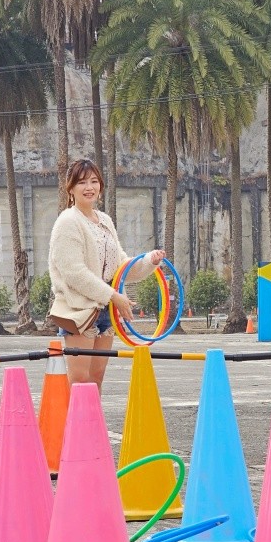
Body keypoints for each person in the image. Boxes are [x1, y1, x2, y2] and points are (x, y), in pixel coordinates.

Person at [48, 159, 165, 390]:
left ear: (100, 186)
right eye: (82, 182)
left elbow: (119, 266)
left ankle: (94, 427)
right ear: (70, 188)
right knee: (80, 381)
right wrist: (114, 296)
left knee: (97, 378)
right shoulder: (67, 221)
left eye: (94, 181)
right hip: (79, 311)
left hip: (105, 312)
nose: (89, 187)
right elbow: (74, 272)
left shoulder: (105, 221)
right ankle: (78, 428)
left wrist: (149, 261)